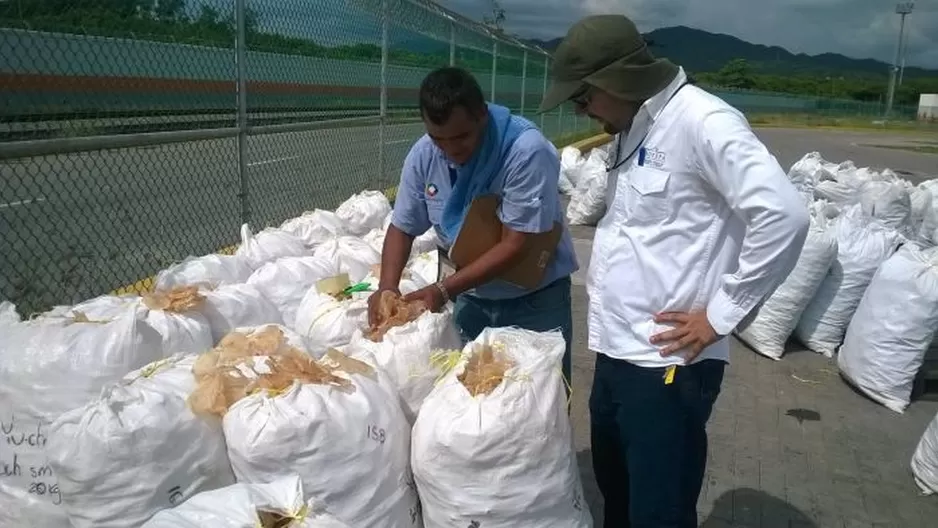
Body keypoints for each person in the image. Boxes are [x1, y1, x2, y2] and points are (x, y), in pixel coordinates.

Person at [538, 14, 810, 528]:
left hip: (669, 366)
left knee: (658, 512)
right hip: (618, 352)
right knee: (616, 494)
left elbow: (785, 216)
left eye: (583, 97)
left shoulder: (703, 122)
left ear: (614, 82)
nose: (581, 109)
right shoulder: (633, 126)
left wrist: (720, 314)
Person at [370, 66, 579, 384]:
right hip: (471, 296)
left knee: (536, 404)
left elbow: (515, 243)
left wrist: (443, 290)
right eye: (438, 139)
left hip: (533, 302)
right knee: (468, 400)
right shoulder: (425, 154)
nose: (451, 149)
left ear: (482, 115)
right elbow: (403, 226)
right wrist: (387, 288)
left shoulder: (524, 151)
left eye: (462, 137)